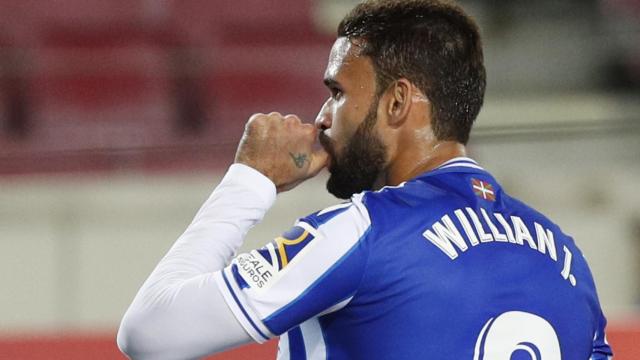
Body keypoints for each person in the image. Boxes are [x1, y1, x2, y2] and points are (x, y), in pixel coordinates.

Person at [117, 0, 614, 359]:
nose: (323, 116)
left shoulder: (362, 234)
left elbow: (149, 332)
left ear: (397, 102)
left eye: (337, 92)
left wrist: (249, 179)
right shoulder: (568, 260)